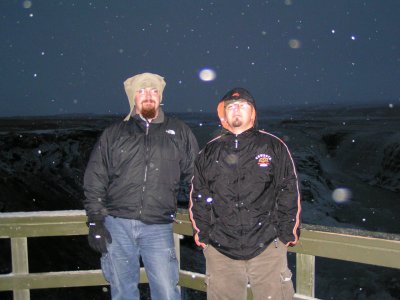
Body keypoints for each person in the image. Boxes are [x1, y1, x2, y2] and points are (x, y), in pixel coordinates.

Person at [83, 72, 199, 300]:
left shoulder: (178, 131)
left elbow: (198, 177)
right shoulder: (114, 134)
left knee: (167, 292)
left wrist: (205, 214)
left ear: (160, 97)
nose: (149, 95)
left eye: (154, 90)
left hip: (158, 226)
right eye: (142, 91)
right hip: (117, 225)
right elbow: (95, 178)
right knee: (123, 292)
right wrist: (95, 220)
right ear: (133, 98)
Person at [189, 87, 301, 300]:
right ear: (224, 114)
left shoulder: (273, 146)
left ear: (253, 113)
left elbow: (289, 190)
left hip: (267, 248)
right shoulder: (209, 152)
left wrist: (286, 234)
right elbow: (199, 196)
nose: (236, 110)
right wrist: (204, 235)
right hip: (221, 251)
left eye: (242, 105)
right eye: (230, 106)